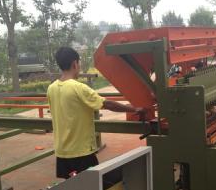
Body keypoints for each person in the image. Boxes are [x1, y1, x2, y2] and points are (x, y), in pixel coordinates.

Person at [47, 47, 144, 179]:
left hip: (62, 153)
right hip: (81, 153)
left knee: (71, 187)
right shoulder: (78, 87)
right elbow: (106, 104)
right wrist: (134, 109)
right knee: (92, 188)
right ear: (75, 64)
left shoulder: (51, 88)